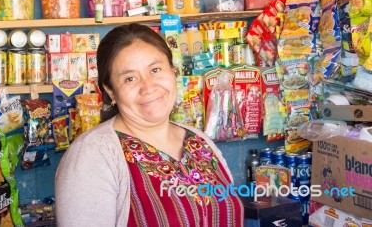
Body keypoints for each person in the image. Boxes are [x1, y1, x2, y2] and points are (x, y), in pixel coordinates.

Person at [55, 23, 244, 226]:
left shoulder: (200, 141)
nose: (148, 87)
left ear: (173, 71)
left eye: (155, 70)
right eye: (130, 78)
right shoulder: (93, 155)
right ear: (110, 92)